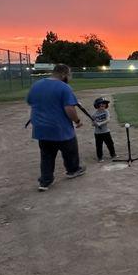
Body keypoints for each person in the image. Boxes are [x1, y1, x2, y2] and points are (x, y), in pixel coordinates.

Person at [26, 64, 86, 192]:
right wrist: (77, 121)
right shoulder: (64, 87)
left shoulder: (36, 85)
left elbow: (30, 101)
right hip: (60, 128)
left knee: (46, 154)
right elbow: (69, 109)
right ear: (64, 74)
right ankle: (72, 170)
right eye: (69, 75)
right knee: (70, 150)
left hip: (41, 127)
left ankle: (45, 181)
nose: (69, 78)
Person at [92, 97, 117, 162]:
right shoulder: (94, 114)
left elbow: (108, 120)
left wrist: (100, 123)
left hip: (106, 131)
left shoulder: (106, 112)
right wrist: (94, 123)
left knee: (110, 143)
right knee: (99, 145)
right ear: (97, 105)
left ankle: (113, 154)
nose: (103, 105)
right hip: (97, 133)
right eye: (101, 104)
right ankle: (100, 157)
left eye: (104, 104)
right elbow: (92, 124)